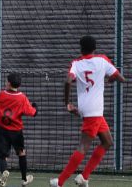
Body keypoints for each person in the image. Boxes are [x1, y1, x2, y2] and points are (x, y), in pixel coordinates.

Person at [50, 35, 126, 187]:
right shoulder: (102, 60)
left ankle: (84, 177)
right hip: (94, 109)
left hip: (88, 109)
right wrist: (109, 79)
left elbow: (68, 80)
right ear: (95, 48)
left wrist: (67, 103)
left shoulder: (76, 63)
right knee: (83, 146)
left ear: (81, 48)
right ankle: (59, 182)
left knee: (107, 142)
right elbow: (120, 78)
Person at [0, 72, 37, 187]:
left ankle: (4, 173)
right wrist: (35, 107)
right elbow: (32, 112)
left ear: (8, 83)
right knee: (21, 153)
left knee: (4, 155)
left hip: (2, 129)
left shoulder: (1, 95)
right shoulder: (22, 98)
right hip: (16, 131)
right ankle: (24, 179)